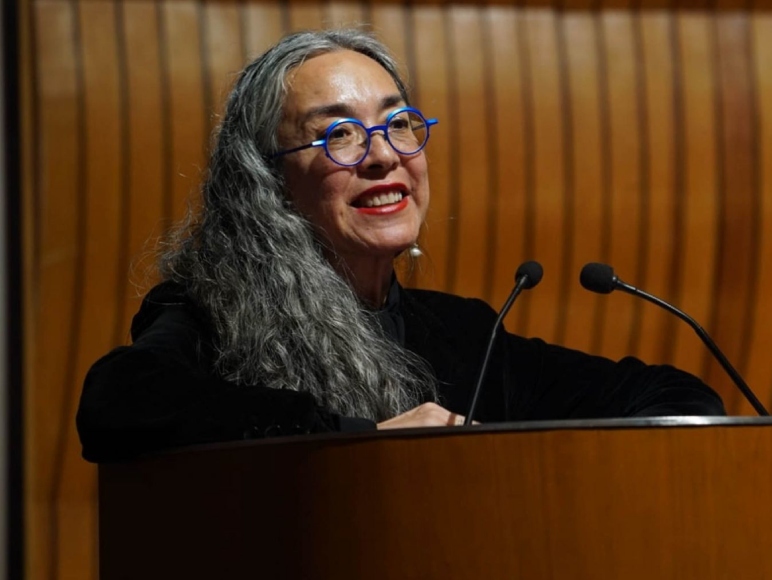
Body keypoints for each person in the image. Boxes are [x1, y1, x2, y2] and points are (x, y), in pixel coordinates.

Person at [76, 29, 725, 463]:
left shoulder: (462, 336)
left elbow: (677, 400)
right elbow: (119, 403)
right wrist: (363, 447)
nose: (385, 155)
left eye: (398, 123)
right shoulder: (210, 315)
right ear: (268, 180)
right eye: (340, 136)